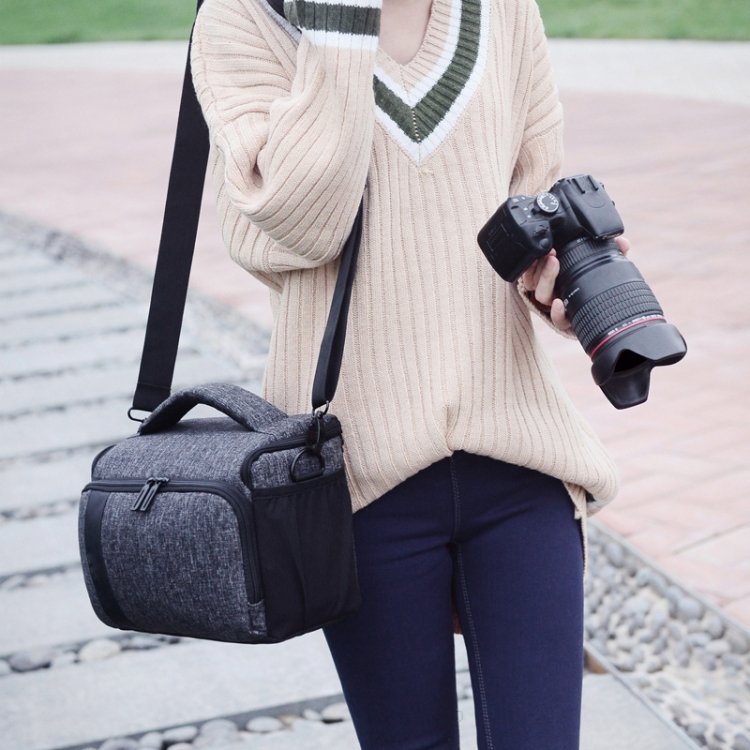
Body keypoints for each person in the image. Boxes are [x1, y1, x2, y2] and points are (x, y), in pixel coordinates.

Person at [190, 0, 625, 746]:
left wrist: (559, 282)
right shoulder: (242, 20)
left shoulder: (503, 9)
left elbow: (529, 200)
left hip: (521, 456)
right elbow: (300, 224)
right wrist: (342, 21)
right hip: (355, 482)